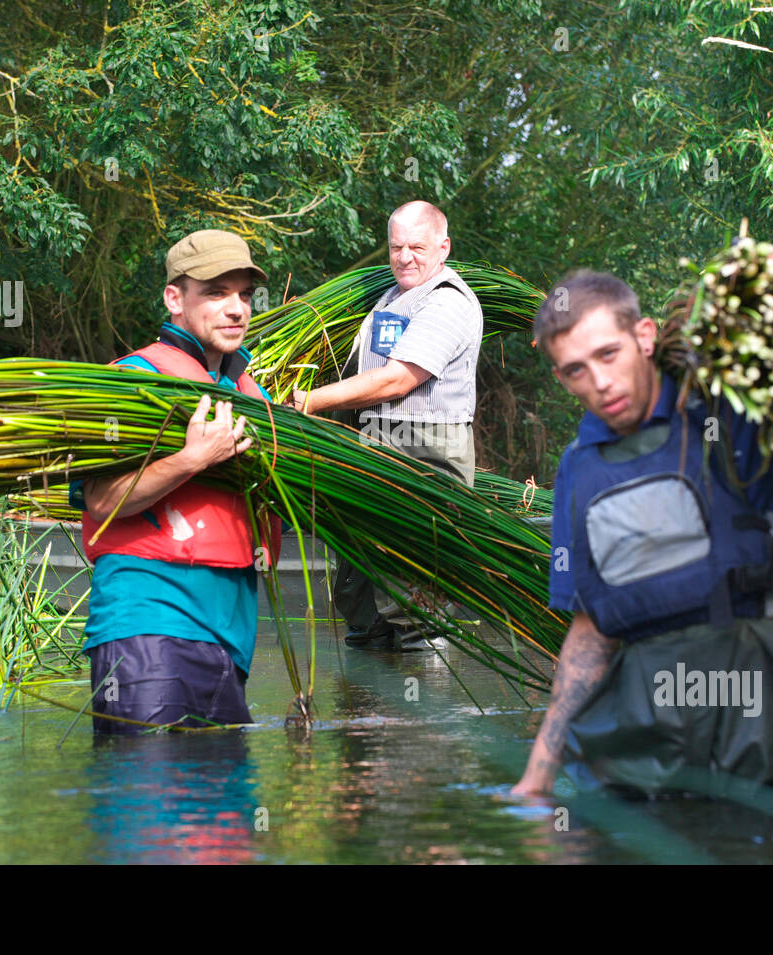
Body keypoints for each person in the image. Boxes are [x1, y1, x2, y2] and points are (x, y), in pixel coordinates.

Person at [513, 268, 773, 797]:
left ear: (643, 336)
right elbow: (591, 632)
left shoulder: (736, 416)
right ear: (559, 377)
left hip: (755, 706)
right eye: (575, 370)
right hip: (640, 721)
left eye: (608, 354)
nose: (598, 382)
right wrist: (534, 782)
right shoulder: (579, 468)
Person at [68, 229, 281, 734]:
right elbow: (102, 499)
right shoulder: (130, 381)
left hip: (230, 633)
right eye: (216, 293)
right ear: (174, 298)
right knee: (154, 795)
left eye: (244, 296)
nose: (236, 310)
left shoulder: (251, 395)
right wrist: (192, 459)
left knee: (220, 807)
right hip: (150, 621)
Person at [289, 200, 483, 650]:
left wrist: (312, 401)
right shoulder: (392, 297)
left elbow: (398, 379)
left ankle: (423, 687)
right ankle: (371, 674)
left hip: (425, 449)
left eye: (417, 246)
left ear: (443, 247)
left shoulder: (447, 302)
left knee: (414, 579)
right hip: (378, 445)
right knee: (358, 583)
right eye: (397, 247)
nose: (405, 257)